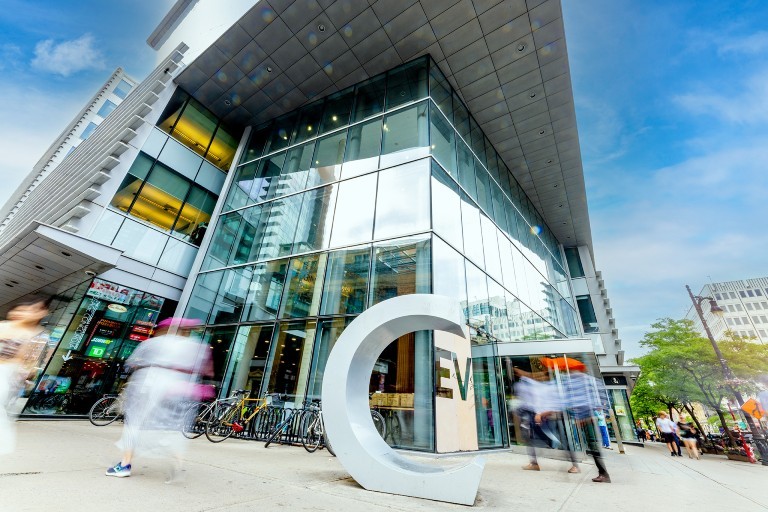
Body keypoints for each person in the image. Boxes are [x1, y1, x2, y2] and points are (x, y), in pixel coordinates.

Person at [106, 317, 211, 481]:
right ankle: (178, 465)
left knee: (135, 423)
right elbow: (204, 369)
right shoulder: (197, 346)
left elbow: (132, 363)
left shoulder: (152, 343)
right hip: (178, 387)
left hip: (149, 383)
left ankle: (125, 464)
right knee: (175, 426)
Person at [0, 295, 51, 455]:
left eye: (29, 310)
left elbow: (29, 364)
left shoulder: (36, 335)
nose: (22, 313)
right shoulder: (4, 326)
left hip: (6, 375)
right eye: (20, 310)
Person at [562, 369, 612, 483]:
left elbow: (600, 398)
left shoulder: (587, 382)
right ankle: (603, 473)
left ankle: (604, 474)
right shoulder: (584, 382)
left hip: (588, 417)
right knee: (592, 444)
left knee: (593, 444)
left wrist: (594, 413)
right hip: (584, 417)